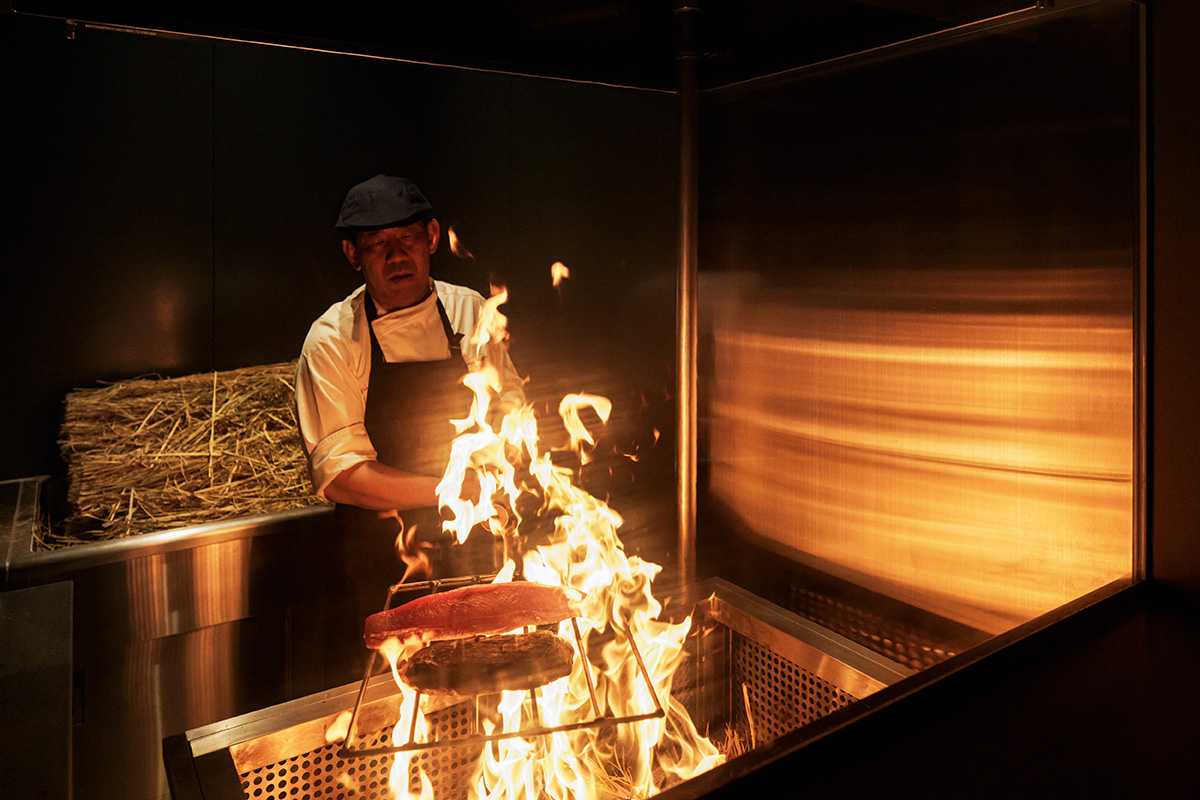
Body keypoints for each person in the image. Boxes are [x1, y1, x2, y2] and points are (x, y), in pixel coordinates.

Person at [294, 175, 523, 675]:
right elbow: (343, 476)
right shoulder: (333, 339)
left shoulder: (471, 311)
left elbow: (512, 414)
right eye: (378, 246)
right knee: (386, 715)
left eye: (409, 239)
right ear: (354, 256)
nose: (397, 256)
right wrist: (452, 491)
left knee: (485, 702)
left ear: (433, 238)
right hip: (379, 563)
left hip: (476, 554)